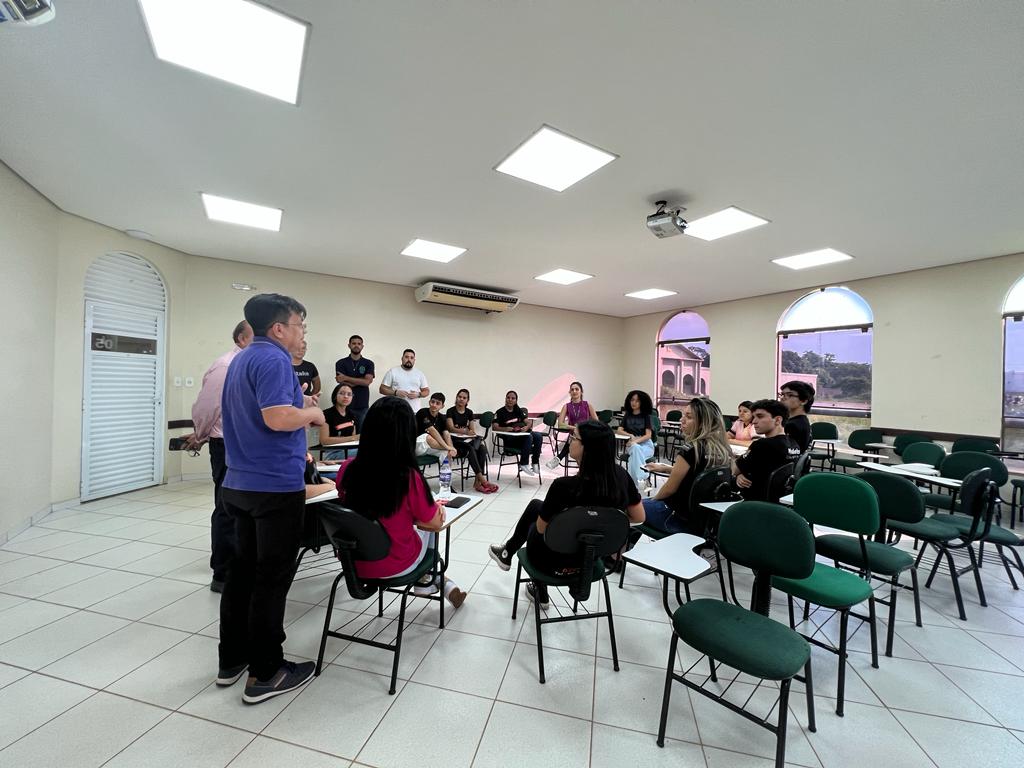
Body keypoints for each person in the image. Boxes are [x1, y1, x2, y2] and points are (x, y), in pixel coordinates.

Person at [218, 293, 326, 704]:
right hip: (273, 487)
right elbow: (278, 418)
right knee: (271, 579)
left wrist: (301, 403)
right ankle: (266, 672)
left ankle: (233, 659)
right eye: (300, 326)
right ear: (279, 328)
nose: (302, 333)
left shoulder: (242, 357)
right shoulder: (276, 360)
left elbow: (264, 410)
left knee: (242, 574)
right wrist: (312, 415)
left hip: (240, 482)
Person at [488, 420, 644, 608]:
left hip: (553, 563)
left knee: (535, 521)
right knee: (537, 506)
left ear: (587, 448)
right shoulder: (621, 477)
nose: (569, 441)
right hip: (590, 561)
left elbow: (541, 529)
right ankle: (508, 553)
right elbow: (639, 517)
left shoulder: (564, 487)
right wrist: (602, 520)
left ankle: (533, 582)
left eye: (574, 437)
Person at [335, 396, 467, 606]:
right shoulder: (407, 477)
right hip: (394, 564)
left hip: (354, 564)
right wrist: (435, 510)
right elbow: (434, 524)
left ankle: (435, 581)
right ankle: (429, 580)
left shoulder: (347, 468)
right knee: (431, 521)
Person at [186, 320, 253, 593]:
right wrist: (201, 434)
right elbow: (207, 407)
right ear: (241, 339)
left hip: (250, 447)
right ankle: (223, 574)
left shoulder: (253, 365)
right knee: (227, 508)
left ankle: (242, 566)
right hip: (227, 445)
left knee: (246, 509)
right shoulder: (226, 366)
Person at [642, 398, 734, 535]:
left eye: (689, 417)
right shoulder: (723, 451)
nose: (682, 420)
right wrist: (667, 468)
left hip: (675, 518)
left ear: (704, 423)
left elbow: (669, 490)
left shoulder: (690, 449)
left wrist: (652, 500)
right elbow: (698, 475)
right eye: (683, 415)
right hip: (702, 522)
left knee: (629, 506)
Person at [733, 399, 801, 501]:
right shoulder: (794, 444)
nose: (754, 421)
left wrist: (738, 473)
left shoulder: (762, 445)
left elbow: (734, 470)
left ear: (777, 420)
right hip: (780, 499)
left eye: (760, 416)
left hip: (754, 500)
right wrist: (741, 474)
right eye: (754, 417)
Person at [446, 388, 497, 493]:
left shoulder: (469, 412)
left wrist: (469, 432)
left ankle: (477, 483)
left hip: (466, 440)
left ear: (467, 400)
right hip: (455, 441)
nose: (461, 399)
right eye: (459, 397)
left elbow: (472, 430)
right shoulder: (450, 411)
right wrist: (465, 431)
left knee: (482, 449)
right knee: (470, 449)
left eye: (464, 398)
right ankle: (483, 480)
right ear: (456, 398)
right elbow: (451, 428)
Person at [544, 381, 598, 469]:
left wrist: (584, 427)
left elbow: (597, 422)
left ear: (581, 391)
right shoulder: (566, 406)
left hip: (586, 435)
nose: (574, 391)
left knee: (576, 440)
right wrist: (574, 428)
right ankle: (581, 470)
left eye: (577, 389)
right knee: (575, 439)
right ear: (570, 392)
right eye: (572, 390)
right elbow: (560, 424)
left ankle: (559, 457)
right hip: (574, 435)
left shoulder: (587, 405)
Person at [493, 390, 543, 476]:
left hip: (521, 435)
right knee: (529, 437)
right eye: (508, 398)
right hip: (510, 439)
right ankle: (523, 463)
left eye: (513, 398)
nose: (510, 400)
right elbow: (494, 427)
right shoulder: (500, 412)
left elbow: (528, 422)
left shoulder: (518, 410)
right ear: (505, 399)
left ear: (516, 400)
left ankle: (535, 462)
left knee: (538, 436)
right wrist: (506, 429)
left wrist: (526, 427)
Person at [334, 334, 374, 431]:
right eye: (354, 343)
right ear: (349, 345)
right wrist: (361, 381)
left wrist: (346, 378)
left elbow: (367, 382)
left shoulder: (368, 363)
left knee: (361, 433)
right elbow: (341, 381)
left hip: (362, 405)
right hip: (344, 405)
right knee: (345, 432)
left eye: (359, 344)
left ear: (362, 346)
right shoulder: (340, 363)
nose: (356, 345)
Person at [617, 390, 656, 488]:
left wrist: (635, 441)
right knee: (635, 449)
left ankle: (632, 485)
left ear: (642, 403)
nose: (634, 403)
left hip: (646, 445)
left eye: (637, 401)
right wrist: (630, 435)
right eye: (632, 400)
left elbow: (648, 435)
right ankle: (644, 475)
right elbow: (619, 430)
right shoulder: (627, 415)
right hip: (631, 444)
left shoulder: (646, 416)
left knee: (633, 457)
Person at [319, 383, 359, 460]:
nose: (346, 396)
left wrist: (353, 438)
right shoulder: (326, 414)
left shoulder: (352, 415)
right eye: (342, 393)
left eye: (349, 394)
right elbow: (324, 440)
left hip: (349, 450)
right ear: (335, 396)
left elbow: (353, 440)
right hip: (332, 453)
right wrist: (352, 438)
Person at [415, 393, 458, 462]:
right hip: (417, 445)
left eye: (438, 403)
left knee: (446, 454)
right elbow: (432, 430)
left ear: (442, 406)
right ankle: (448, 448)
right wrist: (447, 447)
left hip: (430, 447)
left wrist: (451, 448)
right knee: (427, 436)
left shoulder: (442, 417)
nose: (434, 405)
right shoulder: (422, 412)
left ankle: (446, 469)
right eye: (432, 402)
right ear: (429, 402)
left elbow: (446, 434)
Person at [779, 380, 814, 452]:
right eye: (782, 394)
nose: (782, 398)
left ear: (803, 401)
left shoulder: (793, 425)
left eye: (790, 395)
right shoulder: (802, 421)